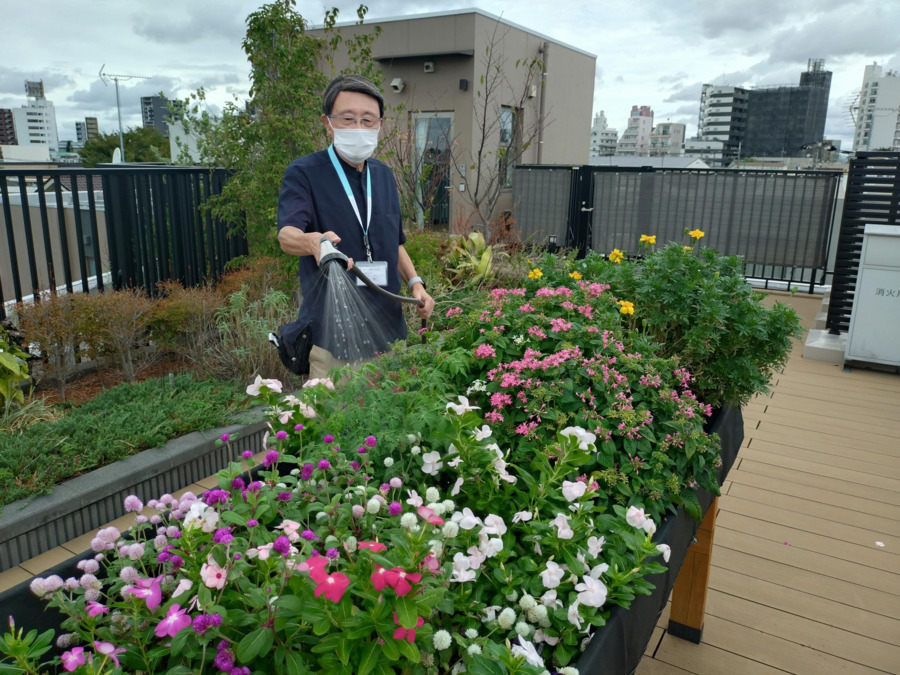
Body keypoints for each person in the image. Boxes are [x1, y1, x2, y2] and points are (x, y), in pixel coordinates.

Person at [276, 74, 435, 380]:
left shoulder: (384, 176)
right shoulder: (304, 173)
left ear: (380, 125)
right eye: (347, 118)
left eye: (368, 120)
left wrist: (416, 283)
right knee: (334, 424)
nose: (359, 128)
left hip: (390, 335)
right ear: (328, 123)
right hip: (333, 339)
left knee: (387, 424)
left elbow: (395, 243)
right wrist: (313, 243)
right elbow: (287, 235)